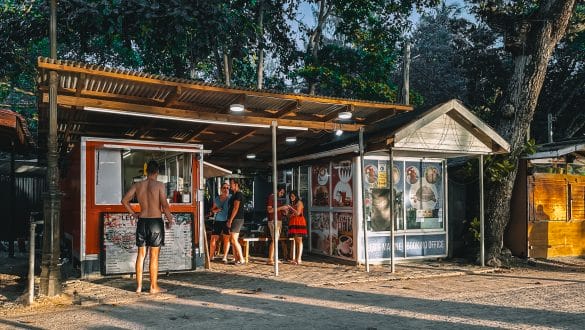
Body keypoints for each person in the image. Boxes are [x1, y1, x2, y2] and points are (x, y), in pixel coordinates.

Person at [121, 160, 174, 294]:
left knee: (141, 255)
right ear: (157, 172)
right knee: (154, 256)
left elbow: (124, 201)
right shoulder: (159, 185)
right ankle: (153, 287)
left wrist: (133, 214)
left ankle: (138, 287)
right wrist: (170, 220)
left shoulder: (138, 185)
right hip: (155, 222)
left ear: (146, 171)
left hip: (142, 221)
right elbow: (165, 206)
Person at [266, 184, 289, 265]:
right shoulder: (272, 197)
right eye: (281, 192)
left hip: (278, 220)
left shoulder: (277, 199)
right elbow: (270, 210)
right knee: (274, 239)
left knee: (275, 239)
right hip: (273, 221)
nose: (282, 194)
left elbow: (277, 210)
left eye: (283, 193)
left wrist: (284, 211)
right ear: (278, 190)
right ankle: (270, 259)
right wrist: (281, 208)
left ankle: (274, 258)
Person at [209, 181, 231, 263]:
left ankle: (225, 257)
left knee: (226, 239)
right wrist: (216, 210)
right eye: (224, 188)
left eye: (227, 188)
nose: (226, 189)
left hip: (227, 221)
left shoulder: (231, 198)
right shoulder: (217, 198)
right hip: (218, 220)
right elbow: (212, 209)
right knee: (213, 239)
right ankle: (211, 256)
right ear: (221, 189)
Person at [227, 178, 246, 265]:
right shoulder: (234, 194)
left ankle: (241, 259)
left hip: (237, 219)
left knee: (234, 239)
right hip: (234, 218)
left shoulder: (238, 194)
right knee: (232, 239)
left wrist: (230, 220)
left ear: (236, 184)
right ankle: (236, 259)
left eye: (231, 183)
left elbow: (236, 208)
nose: (230, 185)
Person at [287, 191, 307, 265]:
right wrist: (288, 213)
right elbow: (290, 215)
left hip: (299, 222)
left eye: (293, 196)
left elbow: (298, 213)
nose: (291, 198)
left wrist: (291, 209)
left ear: (296, 196)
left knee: (299, 240)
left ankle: (299, 258)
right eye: (290, 196)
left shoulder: (299, 203)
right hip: (293, 222)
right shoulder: (293, 204)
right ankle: (295, 258)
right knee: (295, 240)